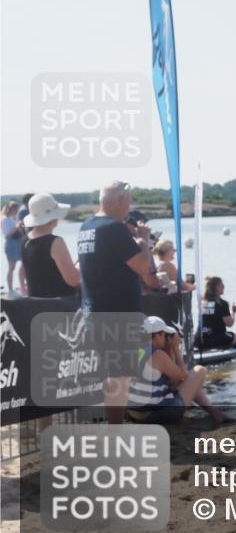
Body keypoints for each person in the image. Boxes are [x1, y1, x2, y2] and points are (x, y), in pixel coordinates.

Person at [77, 181, 161, 424]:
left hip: (95, 309)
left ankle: (115, 428)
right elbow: (143, 267)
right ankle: (115, 431)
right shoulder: (114, 228)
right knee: (119, 376)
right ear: (120, 201)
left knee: (115, 374)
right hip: (116, 312)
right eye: (129, 200)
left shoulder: (87, 225)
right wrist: (144, 241)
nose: (130, 206)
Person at [127, 316, 227, 426]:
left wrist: (169, 349)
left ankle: (214, 413)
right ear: (156, 336)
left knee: (189, 383)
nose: (165, 338)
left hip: (134, 412)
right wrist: (175, 348)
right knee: (199, 371)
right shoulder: (157, 355)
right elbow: (182, 375)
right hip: (153, 415)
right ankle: (215, 414)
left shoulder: (136, 350)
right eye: (164, 335)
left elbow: (172, 381)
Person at [22, 192, 80, 298]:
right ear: (53, 217)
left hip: (36, 308)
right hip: (60, 307)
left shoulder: (24, 241)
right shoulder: (55, 242)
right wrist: (81, 265)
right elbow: (73, 280)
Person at [200, 276, 236, 354]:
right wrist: (233, 311)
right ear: (217, 287)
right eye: (223, 285)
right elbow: (230, 324)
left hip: (201, 339)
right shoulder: (222, 303)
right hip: (217, 338)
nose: (224, 287)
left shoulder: (202, 302)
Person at [2, 200, 26, 296]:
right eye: (14, 209)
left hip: (17, 242)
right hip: (11, 243)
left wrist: (20, 227)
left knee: (24, 264)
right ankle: (10, 289)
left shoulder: (12, 218)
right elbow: (8, 233)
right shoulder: (4, 219)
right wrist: (17, 226)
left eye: (16, 209)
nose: (15, 211)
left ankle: (21, 286)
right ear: (9, 209)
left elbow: (16, 231)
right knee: (11, 267)